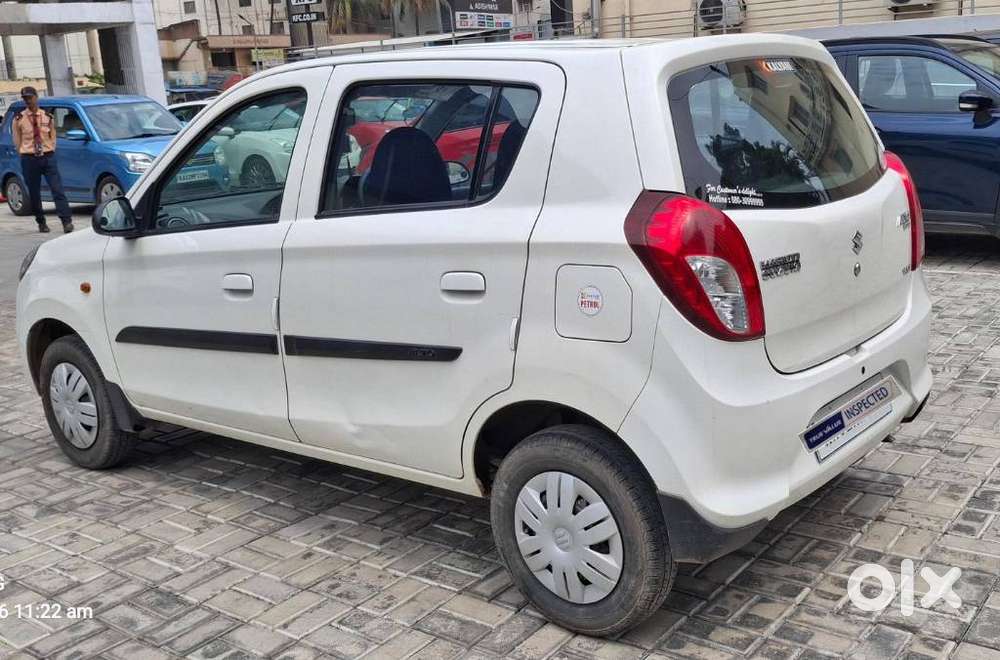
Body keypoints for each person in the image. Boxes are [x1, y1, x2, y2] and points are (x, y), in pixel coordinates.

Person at [11, 87, 73, 233]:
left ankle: (66, 221)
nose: (28, 100)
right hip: (29, 158)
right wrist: (24, 153)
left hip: (47, 156)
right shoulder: (19, 119)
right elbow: (17, 140)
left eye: (30, 97)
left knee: (57, 189)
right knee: (34, 192)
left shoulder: (47, 116)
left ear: (36, 97)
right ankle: (41, 222)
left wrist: (50, 148)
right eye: (25, 98)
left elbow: (53, 135)